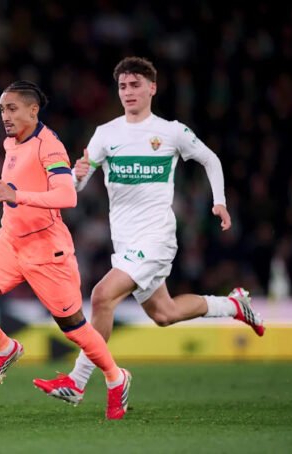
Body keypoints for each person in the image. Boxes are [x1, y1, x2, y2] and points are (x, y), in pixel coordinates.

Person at [33, 57, 265, 405]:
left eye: (135, 85)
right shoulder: (105, 134)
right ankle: (233, 305)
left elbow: (210, 159)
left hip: (157, 239)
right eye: (123, 86)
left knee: (101, 296)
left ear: (152, 88)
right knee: (164, 313)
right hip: (126, 243)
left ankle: (77, 382)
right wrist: (77, 175)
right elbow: (76, 187)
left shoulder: (171, 132)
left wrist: (219, 201)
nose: (128, 92)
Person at [0, 80, 131, 419]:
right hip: (9, 243)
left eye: (12, 108)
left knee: (75, 328)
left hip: (47, 251)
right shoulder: (11, 142)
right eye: (2, 109)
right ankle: (5, 349)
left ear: (33, 110)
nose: (5, 116)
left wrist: (16, 195)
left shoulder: (49, 146)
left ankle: (115, 377)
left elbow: (67, 196)